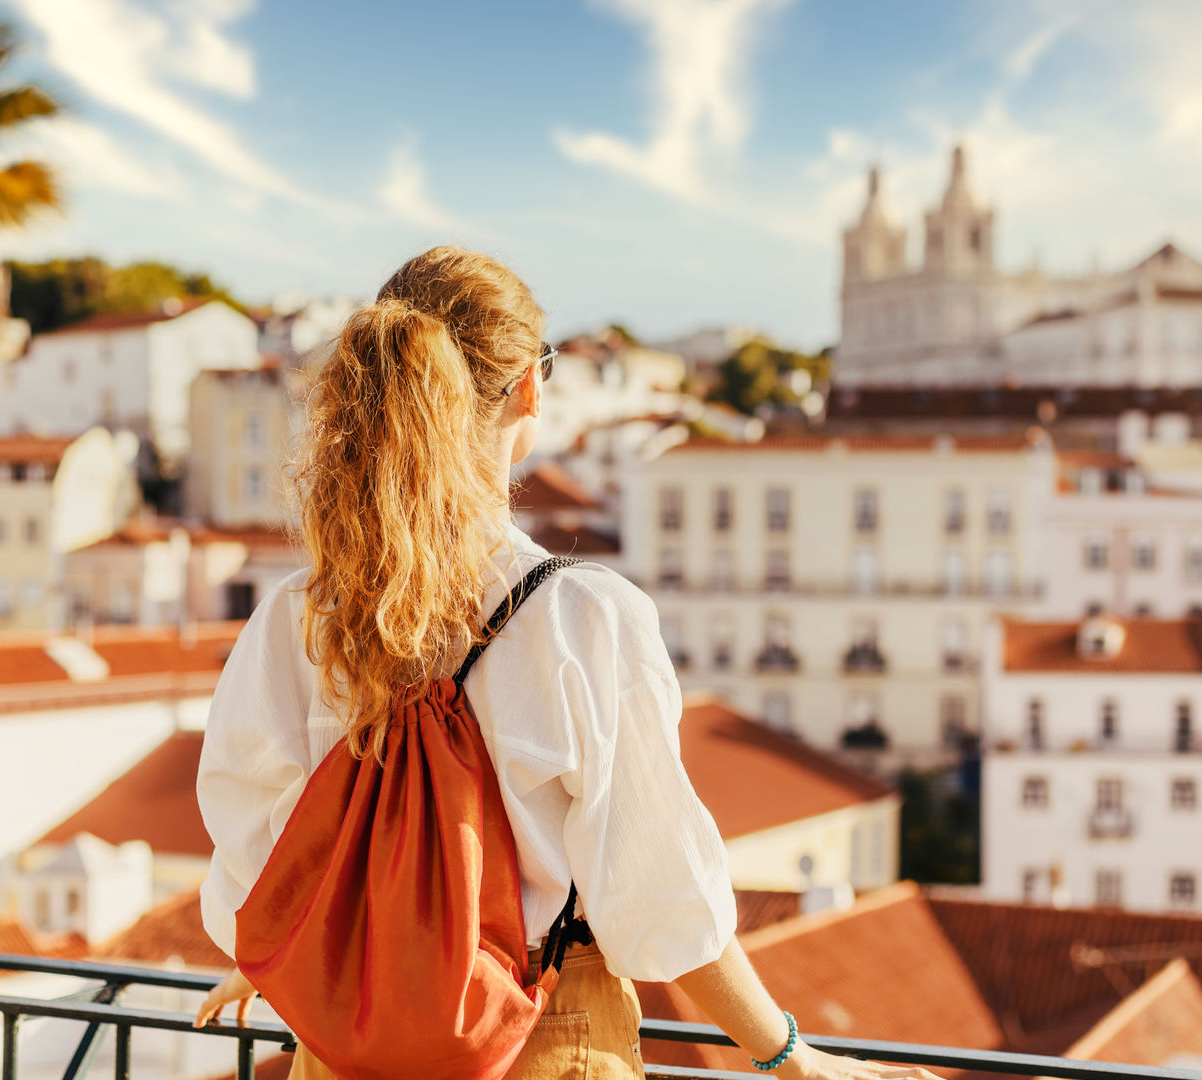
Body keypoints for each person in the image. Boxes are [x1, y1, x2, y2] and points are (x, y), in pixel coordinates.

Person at [192, 247, 940, 1080]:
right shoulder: (583, 617)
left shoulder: (298, 616)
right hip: (540, 1041)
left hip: (346, 1054)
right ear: (527, 387)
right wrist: (793, 1054)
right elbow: (656, 893)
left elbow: (254, 849)